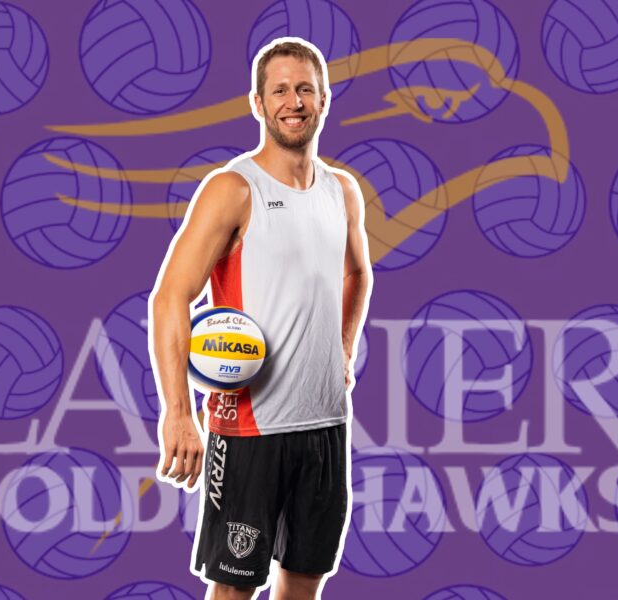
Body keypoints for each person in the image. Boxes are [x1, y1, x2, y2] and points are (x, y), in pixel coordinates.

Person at [151, 37, 371, 600]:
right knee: (234, 588)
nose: (292, 101)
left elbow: (356, 275)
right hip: (249, 427)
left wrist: (343, 350)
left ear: (325, 100)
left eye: (305, 89)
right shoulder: (232, 189)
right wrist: (179, 413)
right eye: (280, 90)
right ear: (257, 103)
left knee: (304, 583)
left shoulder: (341, 190)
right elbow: (171, 296)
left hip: (326, 422)